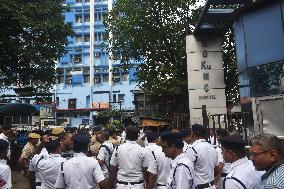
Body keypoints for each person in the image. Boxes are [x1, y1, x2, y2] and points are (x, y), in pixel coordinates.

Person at [185, 124, 218, 189]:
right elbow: (217, 168)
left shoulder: (192, 149)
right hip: (211, 186)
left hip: (199, 186)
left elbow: (186, 171)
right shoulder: (212, 147)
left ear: (192, 134)